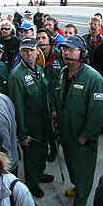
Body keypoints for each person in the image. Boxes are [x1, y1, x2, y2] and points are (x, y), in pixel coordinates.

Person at [56, 36, 103, 206]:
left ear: (82, 53)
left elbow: (98, 113)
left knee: (83, 170)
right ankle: (78, 188)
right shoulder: (63, 72)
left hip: (82, 138)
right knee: (72, 165)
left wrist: (85, 136)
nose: (67, 53)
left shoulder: (94, 78)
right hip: (67, 134)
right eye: (64, 49)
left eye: (72, 49)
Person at [8, 37, 55, 198]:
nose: (29, 53)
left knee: (43, 150)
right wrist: (21, 134)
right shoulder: (17, 75)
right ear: (20, 52)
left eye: (32, 49)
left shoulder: (38, 69)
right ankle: (32, 183)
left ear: (37, 51)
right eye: (25, 50)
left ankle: (39, 174)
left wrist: (52, 109)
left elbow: (45, 93)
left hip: (44, 119)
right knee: (32, 154)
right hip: (30, 121)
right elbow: (17, 107)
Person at [36, 28, 63, 161]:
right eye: (38, 39)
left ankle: (56, 145)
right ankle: (50, 147)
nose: (41, 41)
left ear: (50, 40)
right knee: (46, 128)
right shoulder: (35, 58)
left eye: (43, 38)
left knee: (58, 127)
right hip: (42, 100)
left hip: (58, 99)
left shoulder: (59, 55)